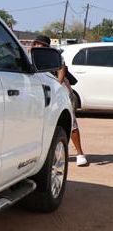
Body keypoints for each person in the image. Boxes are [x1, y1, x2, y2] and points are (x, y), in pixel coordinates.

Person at [31, 34, 88, 166]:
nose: (38, 46)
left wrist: (57, 85)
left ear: (46, 46)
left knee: (71, 122)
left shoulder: (53, 55)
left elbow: (62, 69)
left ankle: (80, 154)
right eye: (36, 43)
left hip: (61, 91)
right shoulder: (31, 56)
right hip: (42, 92)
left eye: (41, 44)